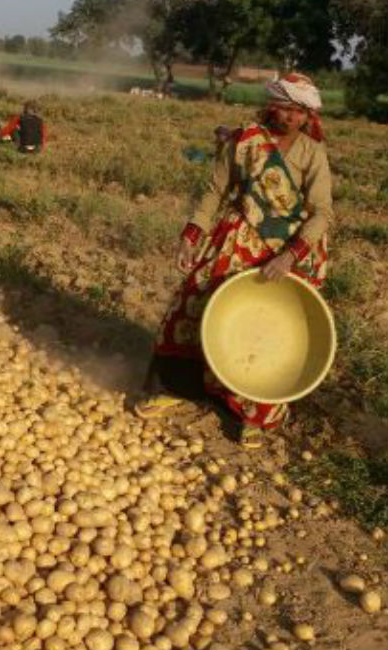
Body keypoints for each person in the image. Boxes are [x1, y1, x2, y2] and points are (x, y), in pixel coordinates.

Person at [137, 73, 332, 449]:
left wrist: (291, 256)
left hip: (286, 250)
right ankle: (180, 387)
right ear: (271, 104)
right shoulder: (243, 141)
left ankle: (252, 415)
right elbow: (215, 192)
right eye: (284, 108)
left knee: (270, 328)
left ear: (309, 116)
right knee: (191, 308)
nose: (289, 117)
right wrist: (191, 235)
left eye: (298, 112)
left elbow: (322, 213)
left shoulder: (312, 153)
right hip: (235, 241)